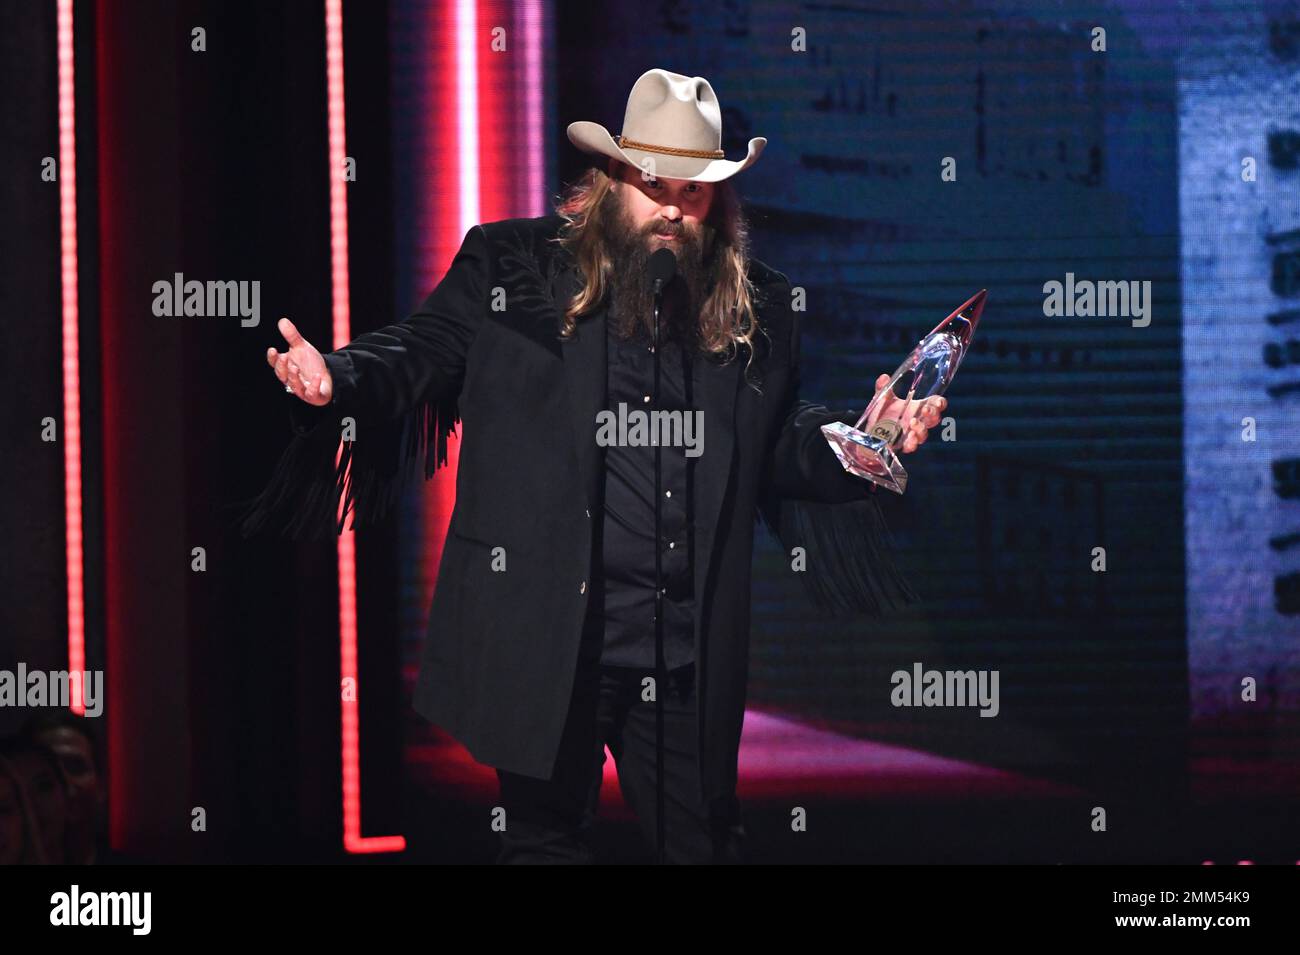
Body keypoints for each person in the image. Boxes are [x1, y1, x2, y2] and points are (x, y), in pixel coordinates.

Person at [243, 68, 947, 863]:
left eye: (694, 191)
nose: (672, 210)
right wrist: (339, 378)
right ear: (612, 177)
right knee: (542, 846)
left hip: (678, 654)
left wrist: (861, 441)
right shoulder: (513, 268)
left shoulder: (757, 307)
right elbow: (425, 350)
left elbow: (776, 438)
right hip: (553, 644)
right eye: (654, 185)